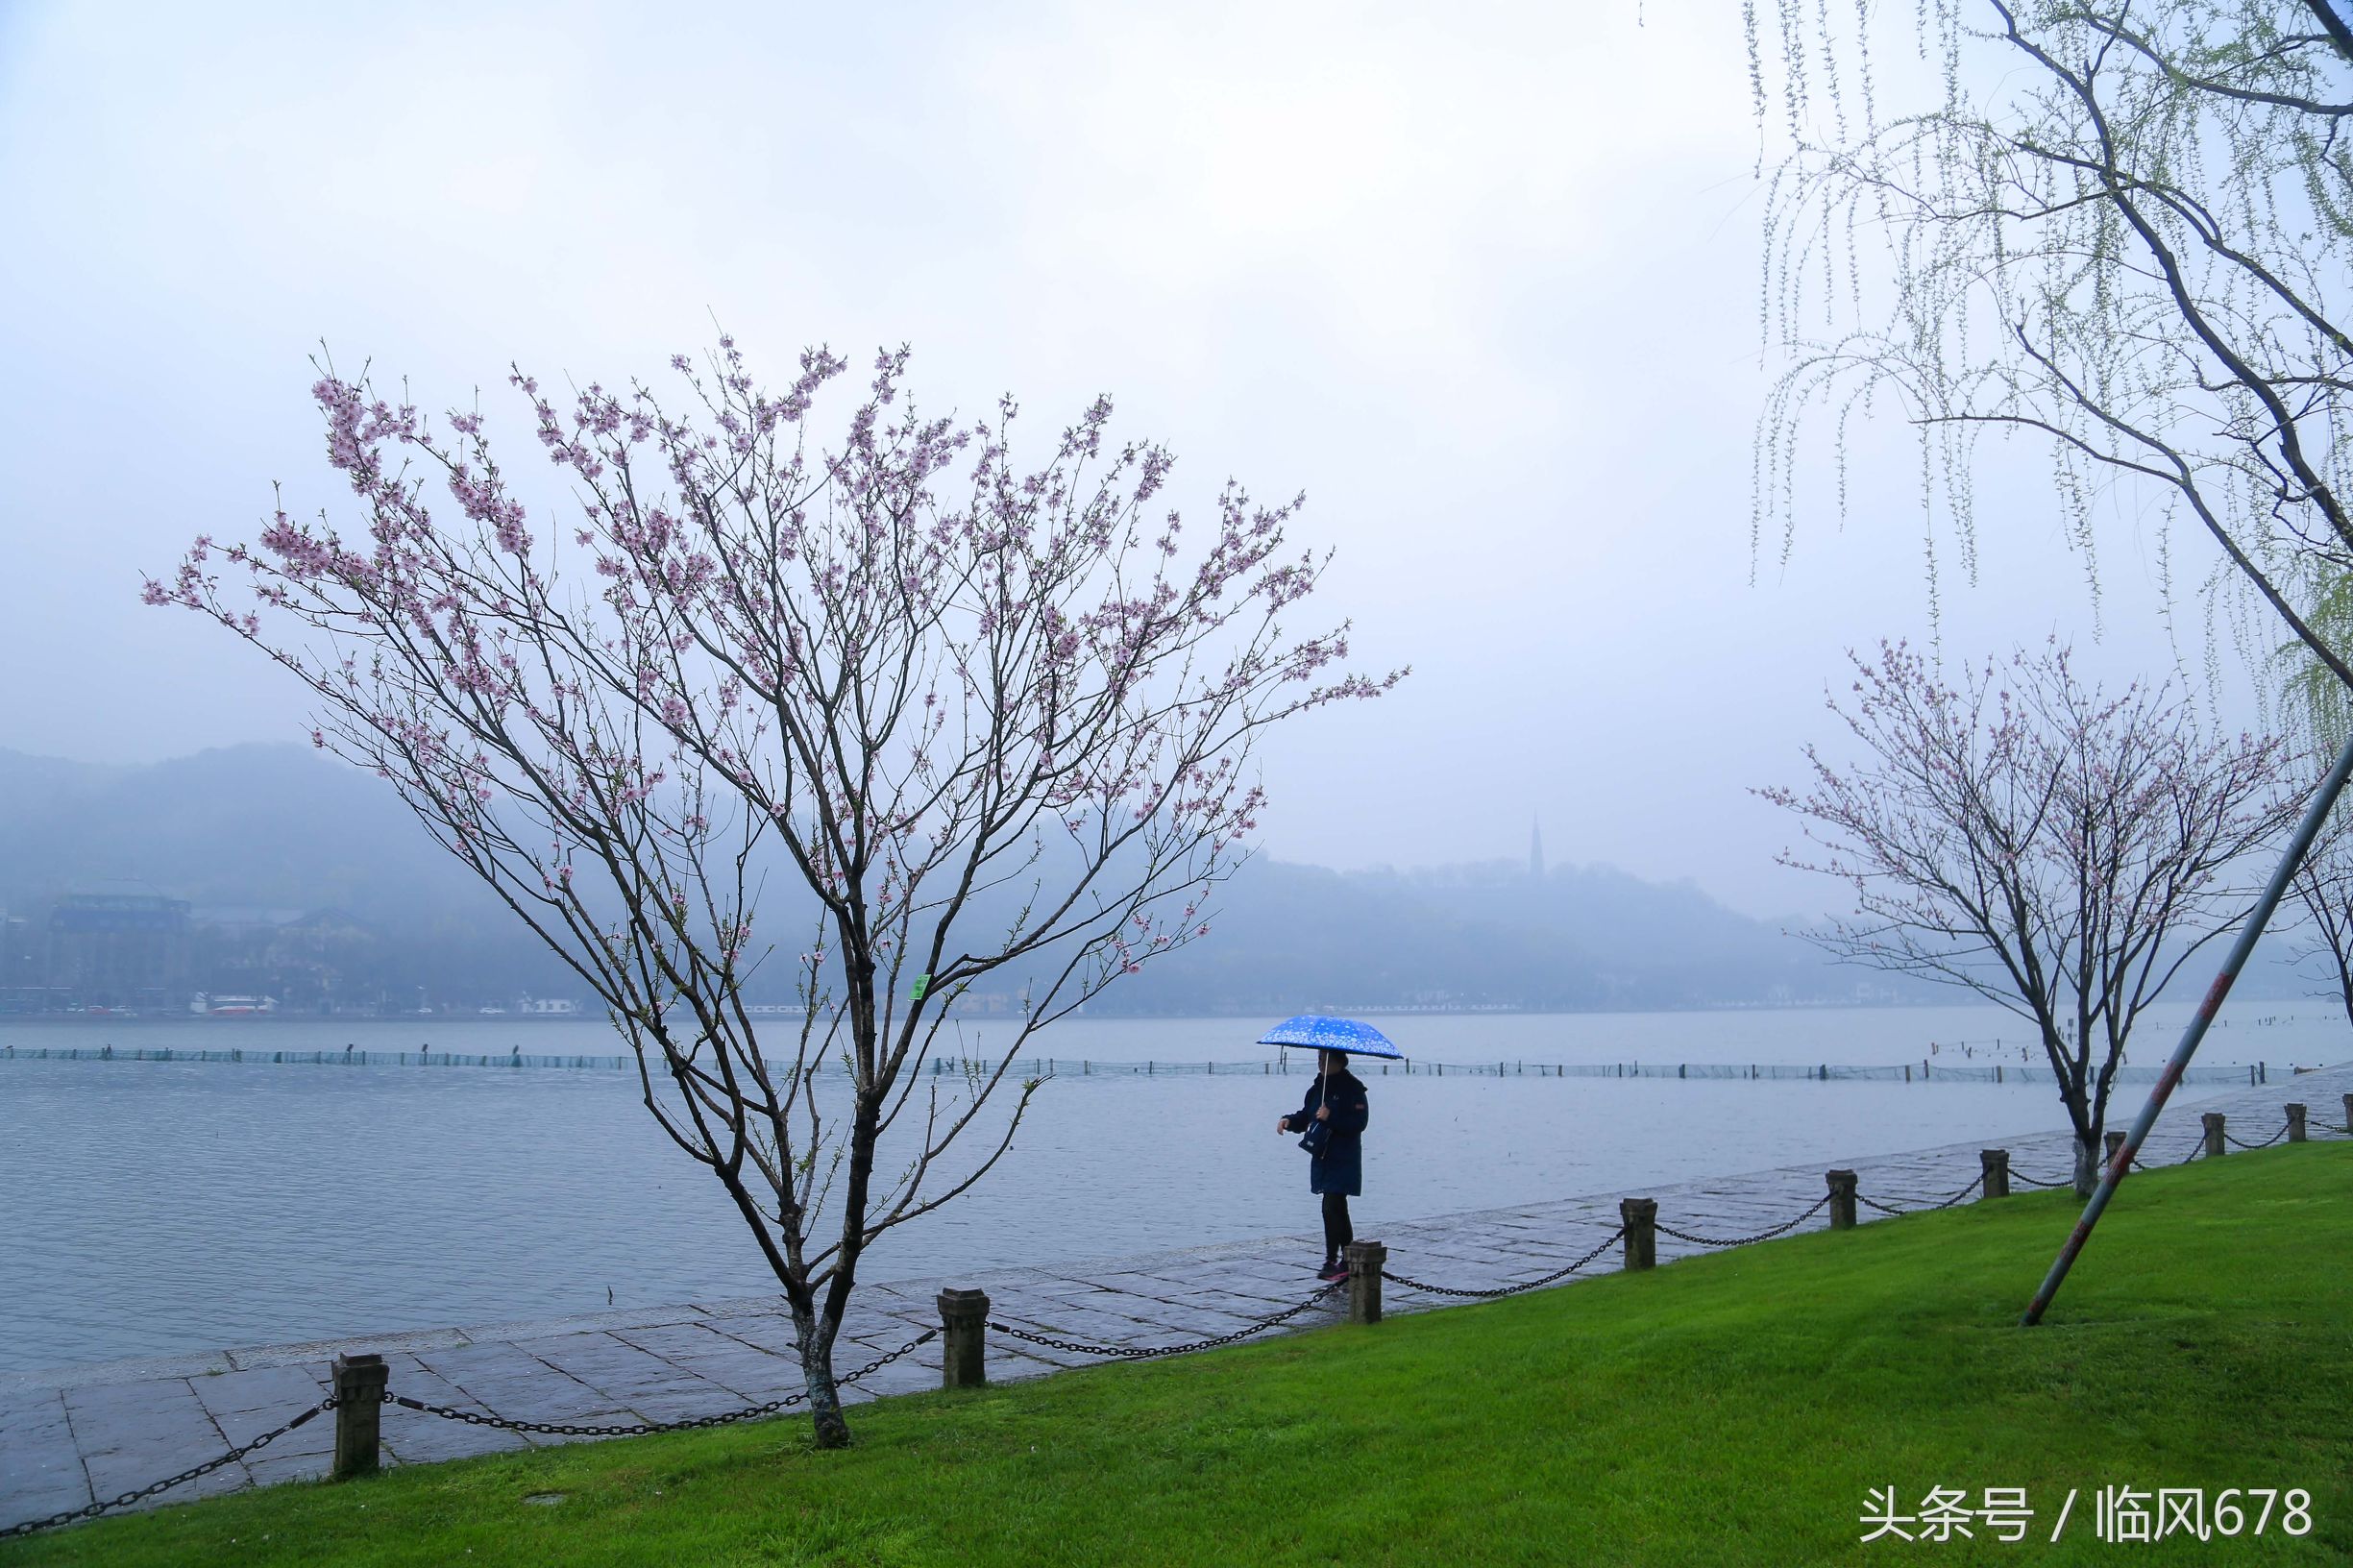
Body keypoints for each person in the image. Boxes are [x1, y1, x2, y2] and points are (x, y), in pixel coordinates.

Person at [1276, 1047, 1370, 1281]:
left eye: (1325, 1059)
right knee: (1334, 1208)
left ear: (1340, 1061)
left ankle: (1340, 1258)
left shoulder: (1354, 1089)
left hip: (1343, 1157)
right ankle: (1338, 1258)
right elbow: (1307, 1115)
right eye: (1318, 1059)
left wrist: (1332, 1117)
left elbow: (1358, 1123)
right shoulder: (1317, 1088)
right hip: (1321, 1155)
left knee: (1332, 1205)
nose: (1320, 1064)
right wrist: (1289, 1121)